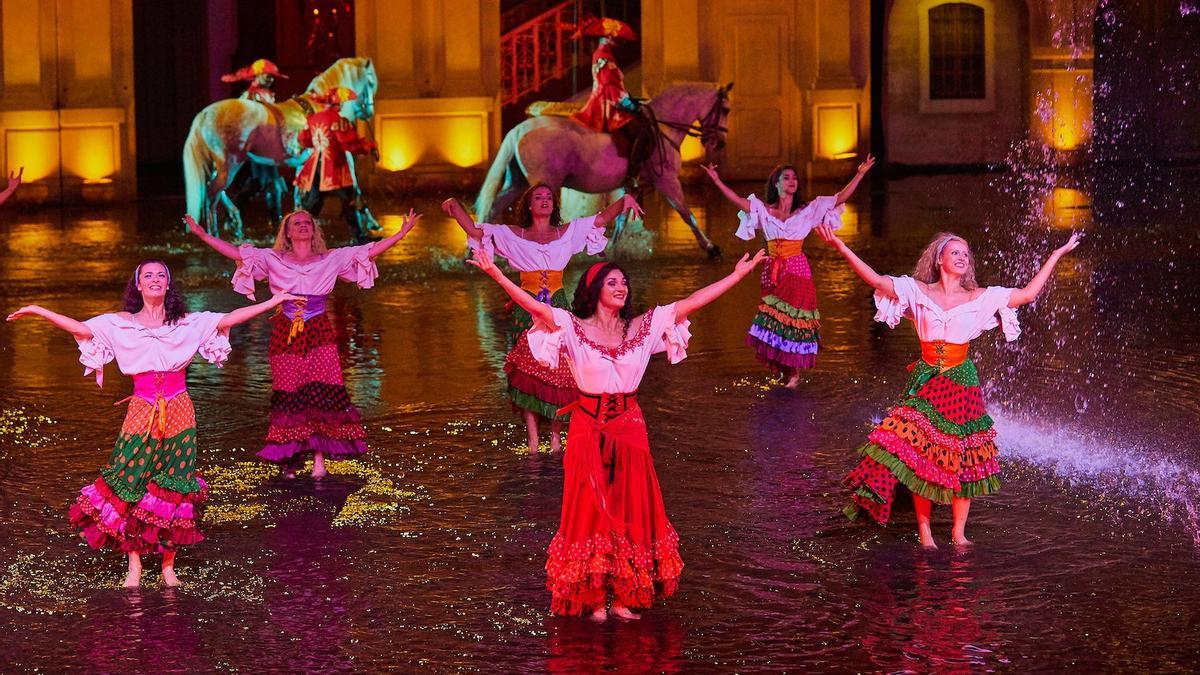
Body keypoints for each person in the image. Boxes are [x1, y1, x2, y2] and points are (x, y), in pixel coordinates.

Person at [468, 245, 768, 621]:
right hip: (587, 428)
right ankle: (595, 597)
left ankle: (624, 594)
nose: (621, 287)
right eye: (612, 282)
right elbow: (536, 308)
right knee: (591, 510)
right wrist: (496, 273)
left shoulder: (644, 326)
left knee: (630, 507)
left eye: (624, 282)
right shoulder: (572, 327)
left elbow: (692, 302)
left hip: (629, 427)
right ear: (594, 290)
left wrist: (738, 275)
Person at [6, 260, 293, 587]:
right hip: (142, 409)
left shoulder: (188, 322)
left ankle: (169, 566)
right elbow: (80, 329)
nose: (155, 280)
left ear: (168, 285)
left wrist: (272, 302)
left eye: (161, 276)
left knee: (175, 482)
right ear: (138, 285)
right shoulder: (119, 324)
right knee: (133, 478)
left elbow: (229, 319)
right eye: (148, 276)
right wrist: (38, 309)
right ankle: (135, 566)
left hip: (180, 409)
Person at [817, 225, 1082, 547]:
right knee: (918, 453)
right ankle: (926, 532)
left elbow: (1027, 295)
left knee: (962, 456)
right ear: (939, 258)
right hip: (926, 380)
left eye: (966, 254)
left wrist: (1056, 255)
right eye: (955, 252)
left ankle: (958, 532)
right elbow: (875, 280)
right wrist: (840, 246)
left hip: (961, 382)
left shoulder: (981, 297)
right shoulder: (916, 291)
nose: (962, 258)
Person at [187, 208, 420, 479]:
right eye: (296, 223)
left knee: (320, 391)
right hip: (286, 331)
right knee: (289, 392)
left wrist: (402, 233)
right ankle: (290, 457)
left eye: (307, 222)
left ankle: (319, 459)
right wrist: (202, 234)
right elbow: (237, 254)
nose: (302, 226)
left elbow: (369, 252)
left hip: (319, 330)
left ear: (314, 229)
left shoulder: (331, 258)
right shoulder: (272, 258)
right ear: (287, 231)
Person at [442, 185, 643, 453]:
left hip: (557, 305)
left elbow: (600, 220)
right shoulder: (512, 235)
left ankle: (557, 437)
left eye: (549, 197)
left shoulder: (566, 233)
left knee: (559, 370)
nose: (545, 201)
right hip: (526, 306)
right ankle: (534, 438)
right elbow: (476, 233)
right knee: (528, 368)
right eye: (539, 197)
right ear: (529, 205)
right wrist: (455, 204)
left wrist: (625, 201)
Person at [703, 157, 874, 387]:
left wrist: (860, 173)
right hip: (772, 274)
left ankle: (793, 374)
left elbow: (840, 198)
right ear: (776, 183)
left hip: (797, 273)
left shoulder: (808, 211)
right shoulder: (764, 211)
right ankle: (784, 370)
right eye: (787, 177)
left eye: (795, 178)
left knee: (792, 321)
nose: (792, 181)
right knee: (774, 322)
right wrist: (716, 180)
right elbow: (738, 201)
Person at [294, 88, 379, 243]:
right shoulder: (337, 119)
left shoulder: (312, 119)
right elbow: (348, 143)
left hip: (314, 168)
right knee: (350, 200)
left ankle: (298, 237)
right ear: (338, 103)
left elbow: (304, 140)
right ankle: (360, 238)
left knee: (312, 205)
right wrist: (368, 146)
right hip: (334, 167)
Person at [222, 59, 288, 223]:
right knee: (269, 183)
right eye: (268, 76)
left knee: (259, 183)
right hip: (259, 145)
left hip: (269, 144)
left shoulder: (268, 94)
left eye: (273, 77)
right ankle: (276, 222)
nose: (272, 80)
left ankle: (233, 214)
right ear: (258, 75)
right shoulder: (250, 95)